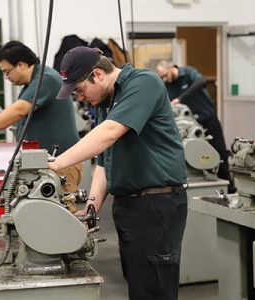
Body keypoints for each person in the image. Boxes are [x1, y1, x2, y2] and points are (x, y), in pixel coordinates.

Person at [49, 46, 188, 300]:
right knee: (139, 284)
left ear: (98, 75)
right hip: (129, 207)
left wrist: (53, 165)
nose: (79, 97)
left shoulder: (145, 83)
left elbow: (109, 134)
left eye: (79, 90)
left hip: (156, 205)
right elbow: (104, 161)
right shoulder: (105, 101)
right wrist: (91, 208)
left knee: (154, 289)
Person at [0, 41, 83, 199]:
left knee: (60, 216)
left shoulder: (46, 79)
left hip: (61, 163)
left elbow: (19, 111)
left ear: (21, 64)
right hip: (45, 163)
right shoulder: (31, 84)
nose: (6, 77)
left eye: (7, 72)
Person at [155, 60, 236, 193]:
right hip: (189, 125)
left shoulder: (189, 72)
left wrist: (180, 99)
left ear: (171, 67)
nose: (165, 80)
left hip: (208, 119)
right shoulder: (167, 86)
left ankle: (230, 188)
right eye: (162, 78)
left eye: (165, 75)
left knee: (220, 154)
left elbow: (201, 82)